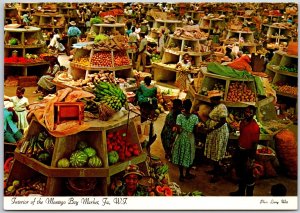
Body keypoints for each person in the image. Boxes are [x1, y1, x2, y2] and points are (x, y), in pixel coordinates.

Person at [230, 105, 260, 196]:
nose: (247, 114)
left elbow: (254, 144)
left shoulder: (255, 127)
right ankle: (240, 191)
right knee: (240, 172)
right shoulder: (243, 122)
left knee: (248, 175)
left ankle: (249, 195)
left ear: (253, 114)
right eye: (246, 111)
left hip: (248, 152)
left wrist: (251, 159)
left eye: (250, 112)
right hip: (240, 150)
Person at [204, 90, 229, 183]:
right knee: (213, 151)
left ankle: (217, 174)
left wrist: (212, 128)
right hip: (214, 132)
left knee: (216, 152)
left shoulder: (222, 107)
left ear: (216, 99)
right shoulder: (216, 106)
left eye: (212, 99)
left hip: (219, 132)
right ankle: (214, 170)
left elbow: (223, 121)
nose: (210, 101)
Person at [171, 99, 199, 182]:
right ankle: (187, 173)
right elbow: (196, 130)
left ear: (183, 106)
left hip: (181, 138)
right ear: (191, 107)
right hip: (190, 138)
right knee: (190, 155)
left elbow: (178, 130)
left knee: (180, 155)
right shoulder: (195, 117)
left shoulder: (179, 116)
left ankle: (181, 175)